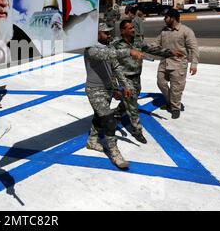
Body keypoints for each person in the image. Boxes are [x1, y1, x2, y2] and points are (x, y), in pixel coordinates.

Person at [111, 20, 185, 143]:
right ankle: (137, 131)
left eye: (134, 27)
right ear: (123, 31)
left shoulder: (137, 41)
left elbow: (153, 49)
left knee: (131, 99)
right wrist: (115, 87)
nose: (133, 30)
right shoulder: (115, 44)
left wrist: (171, 53)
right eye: (130, 28)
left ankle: (117, 113)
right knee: (133, 104)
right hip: (124, 79)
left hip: (136, 76)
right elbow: (110, 64)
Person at [84, 23, 144, 169]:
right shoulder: (91, 49)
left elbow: (115, 67)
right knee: (110, 120)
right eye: (106, 33)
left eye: (110, 33)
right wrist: (129, 52)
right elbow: (107, 55)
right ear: (97, 34)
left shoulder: (109, 46)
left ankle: (92, 141)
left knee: (100, 116)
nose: (110, 35)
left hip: (108, 89)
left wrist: (126, 86)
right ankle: (115, 154)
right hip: (94, 90)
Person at [155, 9, 199, 119]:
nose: (164, 19)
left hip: (178, 64)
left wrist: (194, 64)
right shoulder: (164, 31)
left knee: (176, 88)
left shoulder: (186, 31)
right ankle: (170, 100)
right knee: (161, 83)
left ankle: (175, 108)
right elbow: (156, 43)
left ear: (173, 18)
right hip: (164, 63)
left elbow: (194, 48)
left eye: (166, 17)